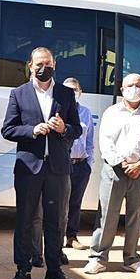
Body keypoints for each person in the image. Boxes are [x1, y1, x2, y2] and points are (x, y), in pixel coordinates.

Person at [1, 47, 81, 279]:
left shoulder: (66, 94)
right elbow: (7, 129)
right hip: (29, 167)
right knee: (25, 219)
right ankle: (22, 268)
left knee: (56, 221)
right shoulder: (19, 93)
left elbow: (76, 129)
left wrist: (63, 129)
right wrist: (32, 130)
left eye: (47, 63)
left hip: (57, 168)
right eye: (38, 64)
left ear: (54, 64)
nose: (42, 68)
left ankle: (54, 269)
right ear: (30, 66)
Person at [83, 73, 140, 276]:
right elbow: (106, 142)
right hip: (115, 170)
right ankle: (98, 257)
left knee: (136, 216)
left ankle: (132, 258)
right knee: (107, 214)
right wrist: (124, 162)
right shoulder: (112, 112)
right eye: (131, 85)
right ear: (122, 88)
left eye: (139, 85)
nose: (135, 88)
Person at [62, 77, 95, 251]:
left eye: (75, 90)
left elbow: (89, 140)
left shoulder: (86, 112)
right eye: (68, 89)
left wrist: (89, 163)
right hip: (62, 164)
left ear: (80, 92)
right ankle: (56, 236)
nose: (72, 93)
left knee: (75, 202)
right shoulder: (58, 111)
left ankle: (71, 236)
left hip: (81, 165)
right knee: (59, 202)